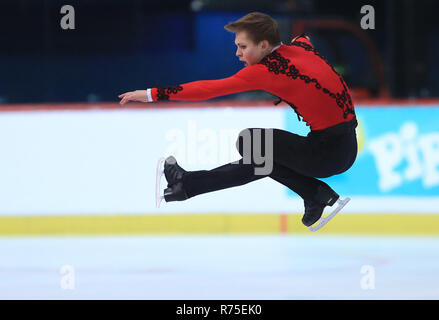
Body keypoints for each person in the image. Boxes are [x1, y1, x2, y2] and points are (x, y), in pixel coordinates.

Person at [118, 12, 358, 228]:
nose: (238, 53)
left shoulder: (264, 71)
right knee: (259, 156)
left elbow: (207, 89)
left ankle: (315, 193)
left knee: (250, 143)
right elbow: (303, 39)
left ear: (264, 45)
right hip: (344, 147)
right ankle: (186, 185)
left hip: (326, 154)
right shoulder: (303, 46)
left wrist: (151, 94)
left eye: (243, 46)